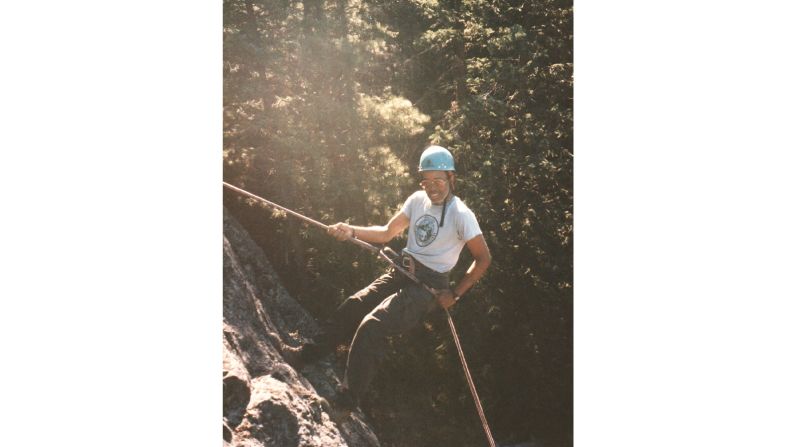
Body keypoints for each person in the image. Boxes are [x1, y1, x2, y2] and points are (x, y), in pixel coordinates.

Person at [279, 145, 492, 414]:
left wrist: (456, 293)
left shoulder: (461, 215)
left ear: (451, 178)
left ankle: (345, 403)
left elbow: (483, 258)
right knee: (355, 304)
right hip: (403, 270)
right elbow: (386, 233)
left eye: (438, 180)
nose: (432, 187)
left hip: (429, 287)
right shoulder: (417, 200)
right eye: (426, 181)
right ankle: (304, 356)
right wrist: (350, 230)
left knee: (373, 326)